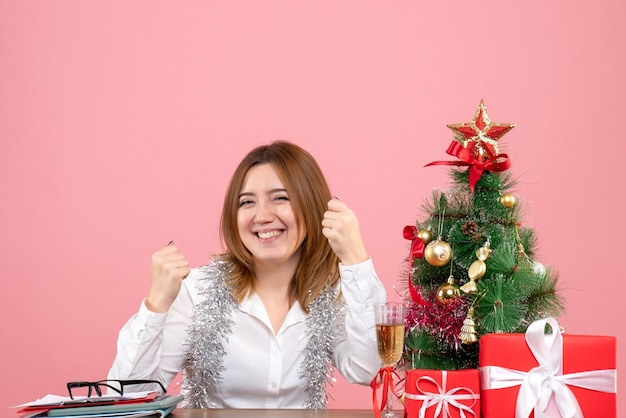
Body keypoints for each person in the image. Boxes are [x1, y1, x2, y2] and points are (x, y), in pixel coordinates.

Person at [107, 140, 386, 409]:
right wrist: (156, 305)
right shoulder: (196, 291)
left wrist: (355, 260)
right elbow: (127, 398)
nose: (262, 216)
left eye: (280, 198)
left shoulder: (330, 292)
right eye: (247, 202)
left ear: (312, 206)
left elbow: (367, 370)